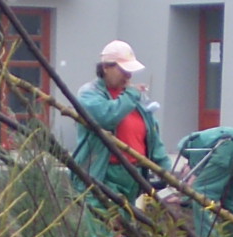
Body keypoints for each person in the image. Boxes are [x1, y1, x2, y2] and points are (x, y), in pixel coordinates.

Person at [72, 39, 167, 209]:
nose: (128, 76)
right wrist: (131, 95)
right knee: (103, 221)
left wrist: (164, 168)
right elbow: (107, 117)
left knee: (125, 223)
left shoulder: (134, 97)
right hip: (103, 174)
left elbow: (152, 133)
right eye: (123, 70)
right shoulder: (90, 94)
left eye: (130, 71)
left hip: (132, 174)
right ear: (105, 67)